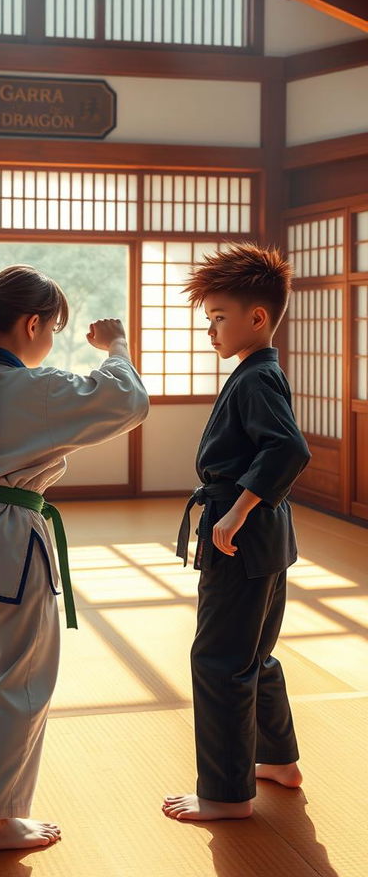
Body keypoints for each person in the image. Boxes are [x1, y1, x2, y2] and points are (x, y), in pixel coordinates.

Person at [0, 265, 149, 852]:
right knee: (19, 683)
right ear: (32, 323)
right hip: (7, 539)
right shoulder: (35, 389)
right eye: (53, 328)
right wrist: (116, 346)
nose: (53, 339)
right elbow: (127, 400)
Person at [162, 243, 311, 822]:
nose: (211, 332)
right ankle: (277, 760)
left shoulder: (255, 379)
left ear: (258, 317)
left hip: (241, 535)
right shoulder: (260, 372)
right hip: (266, 536)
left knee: (218, 658)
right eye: (208, 321)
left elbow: (287, 449)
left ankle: (226, 795)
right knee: (255, 654)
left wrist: (235, 510)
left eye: (218, 318)